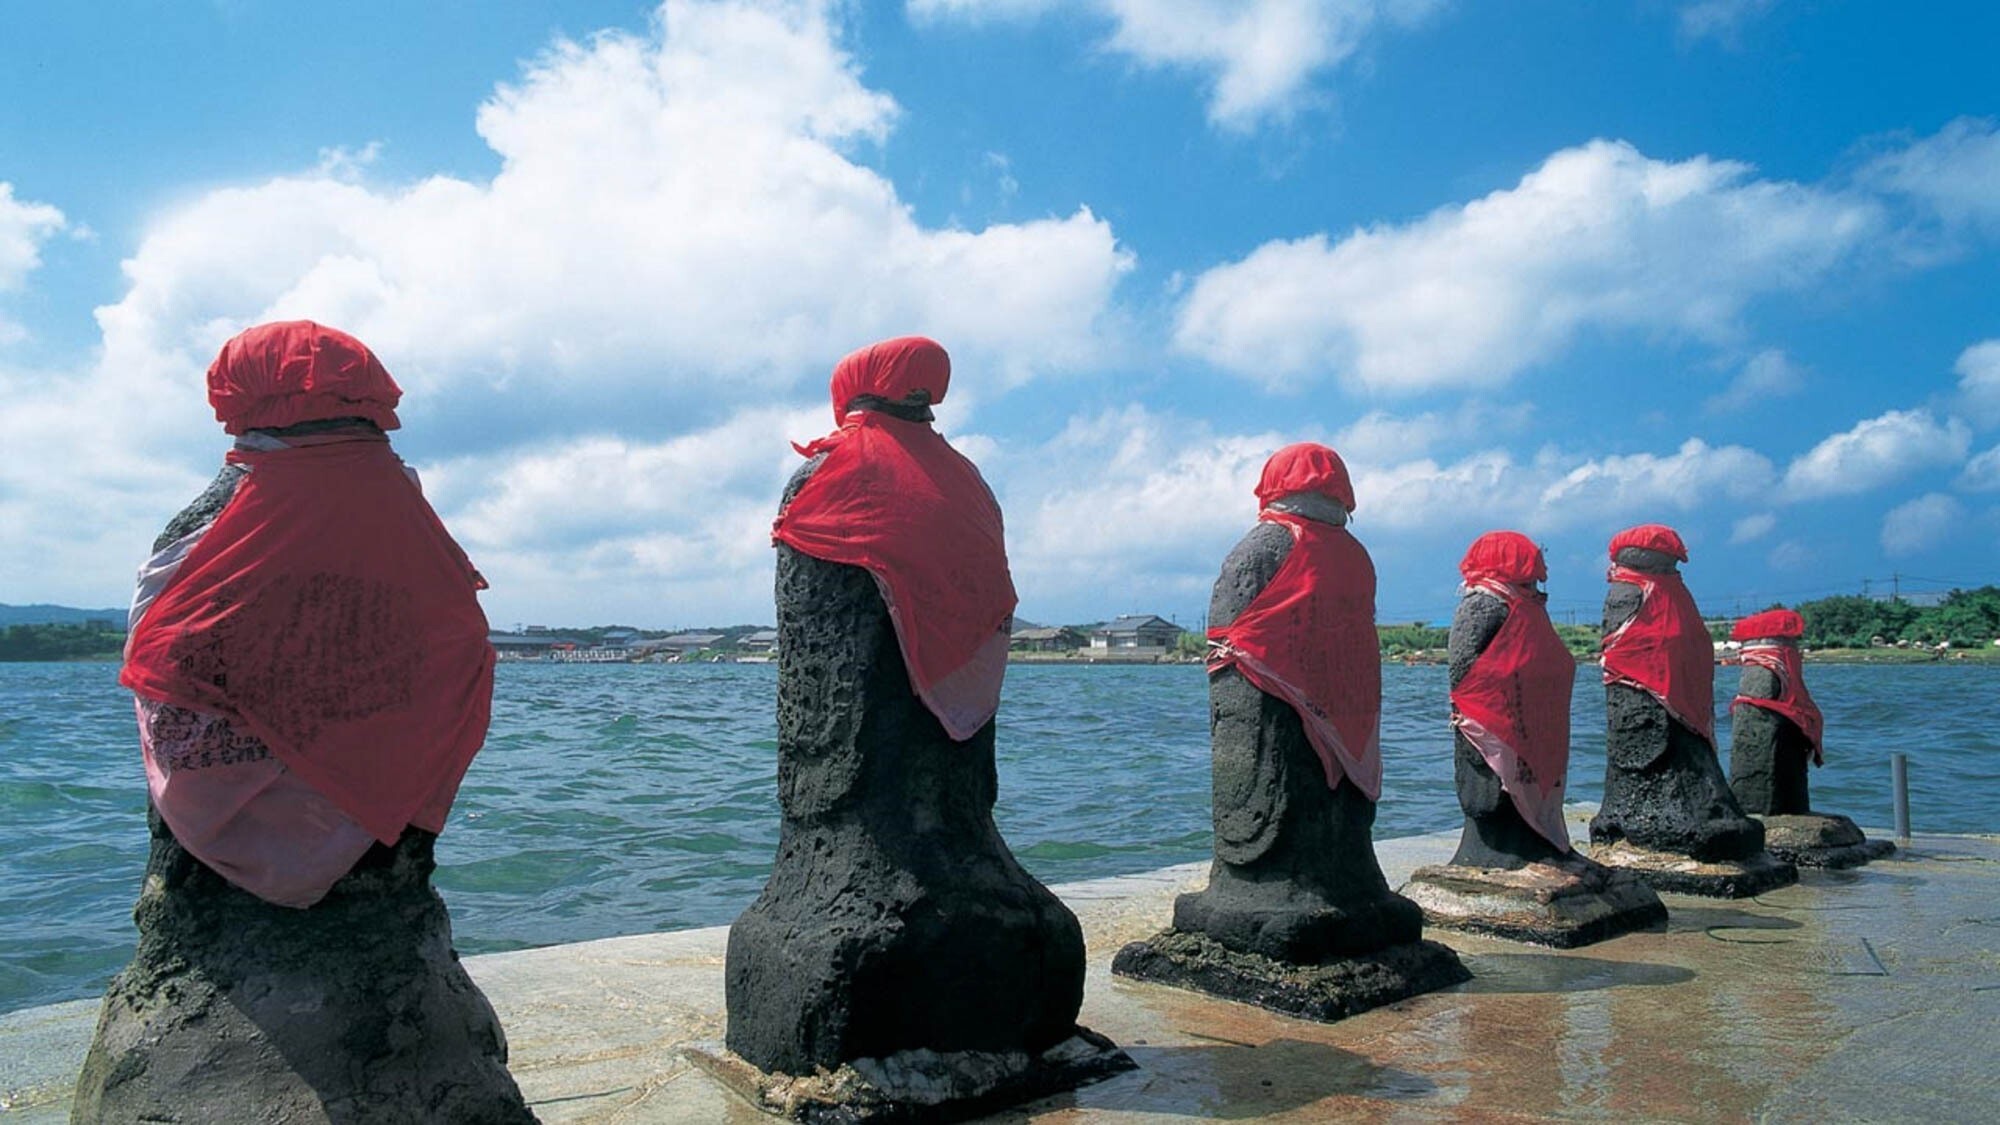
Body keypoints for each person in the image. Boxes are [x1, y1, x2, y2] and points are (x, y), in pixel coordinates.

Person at [120, 320, 495, 906]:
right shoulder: (409, 520)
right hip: (384, 837)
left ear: (239, 399)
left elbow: (165, 659)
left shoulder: (210, 516)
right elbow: (457, 645)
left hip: (216, 872)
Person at [1447, 531, 1576, 867]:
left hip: (1529, 718)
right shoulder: (1484, 603)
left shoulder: (1527, 605)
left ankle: (1536, 840)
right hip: (1491, 720)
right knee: (1497, 786)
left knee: (1526, 782)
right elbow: (1463, 666)